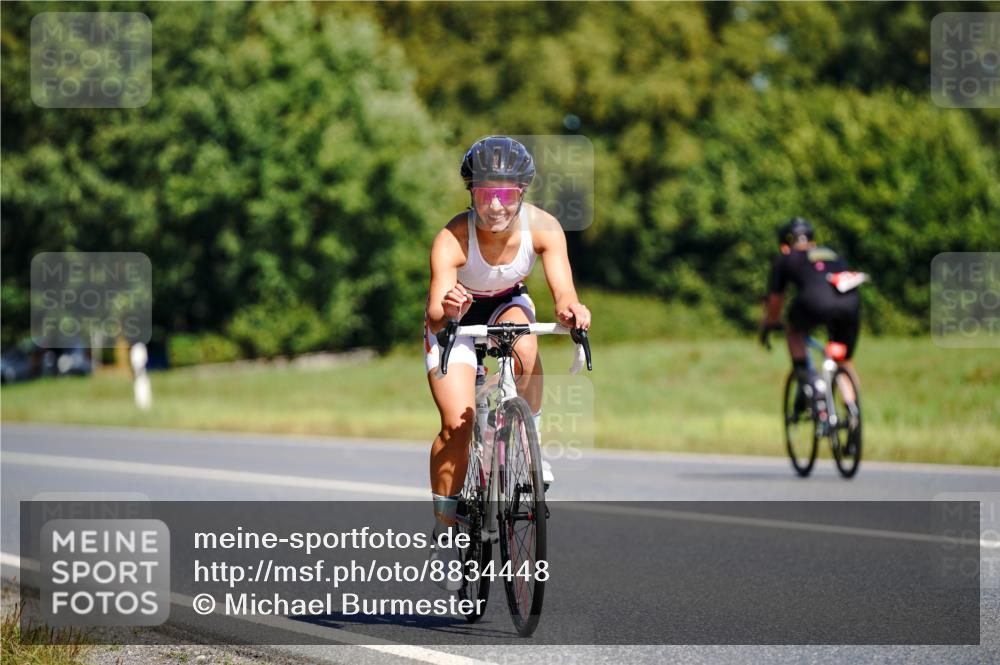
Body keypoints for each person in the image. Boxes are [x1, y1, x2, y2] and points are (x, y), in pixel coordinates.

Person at [423, 136, 591, 589]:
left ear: (521, 193)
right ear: (471, 193)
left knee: (525, 342)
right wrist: (450, 310)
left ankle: (527, 432)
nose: (495, 206)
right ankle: (445, 525)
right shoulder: (453, 238)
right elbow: (436, 310)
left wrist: (572, 311)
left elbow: (564, 294)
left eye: (506, 194)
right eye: (484, 193)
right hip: (456, 317)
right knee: (458, 424)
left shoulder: (544, 228)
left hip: (505, 304)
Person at [760, 217, 861, 403]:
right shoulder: (831, 252)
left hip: (814, 301)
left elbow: (776, 299)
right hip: (851, 302)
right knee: (843, 360)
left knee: (794, 330)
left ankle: (809, 381)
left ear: (784, 246)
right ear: (812, 241)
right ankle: (853, 414)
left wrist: (771, 321)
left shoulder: (784, 257)